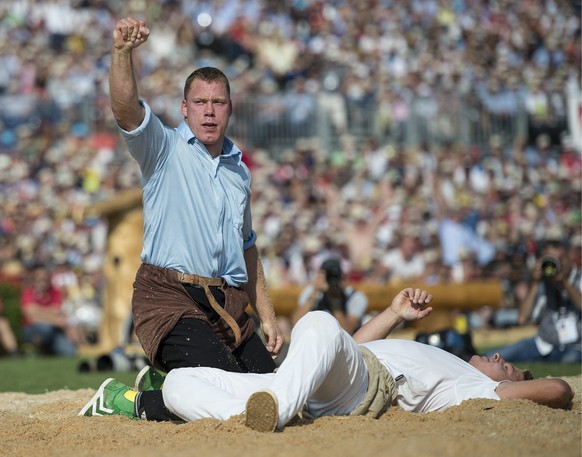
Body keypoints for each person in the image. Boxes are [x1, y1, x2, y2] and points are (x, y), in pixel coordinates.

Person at [107, 17, 283, 420]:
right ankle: (129, 401)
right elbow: (124, 109)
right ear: (184, 109)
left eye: (217, 102)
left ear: (229, 109)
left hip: (227, 304)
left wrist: (267, 316)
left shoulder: (240, 170)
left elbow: (248, 246)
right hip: (169, 298)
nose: (209, 112)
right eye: (200, 103)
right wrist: (121, 53)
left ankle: (164, 382)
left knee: (275, 396)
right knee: (231, 400)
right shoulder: (163, 148)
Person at [79, 288, 573, 432]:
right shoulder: (448, 360)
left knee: (316, 323)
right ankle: (250, 417)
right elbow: (351, 348)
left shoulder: (476, 388)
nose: (499, 357)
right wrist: (394, 314)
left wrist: (517, 384)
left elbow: (559, 390)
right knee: (177, 383)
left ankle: (271, 410)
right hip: (324, 386)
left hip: (361, 389)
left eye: (507, 365)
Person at [485, 238, 581, 363]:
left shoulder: (579, 278)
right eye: (551, 259)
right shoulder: (542, 282)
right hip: (544, 344)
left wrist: (565, 283)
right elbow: (522, 319)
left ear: (569, 257)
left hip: (576, 346)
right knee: (491, 357)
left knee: (570, 360)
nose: (558, 263)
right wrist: (535, 283)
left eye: (561, 258)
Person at [292, 258, 368, 335]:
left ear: (342, 277)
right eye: (327, 276)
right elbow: (296, 323)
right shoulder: (312, 291)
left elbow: (347, 330)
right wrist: (315, 292)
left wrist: (334, 299)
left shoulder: (355, 297)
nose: (330, 280)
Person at [20, 265, 80, 356]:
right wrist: (53, 319)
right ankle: (38, 350)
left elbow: (57, 311)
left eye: (45, 278)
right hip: (32, 329)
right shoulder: (28, 293)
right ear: (34, 280)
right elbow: (31, 316)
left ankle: (48, 350)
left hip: (54, 330)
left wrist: (38, 311)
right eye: (39, 278)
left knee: (70, 352)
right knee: (45, 328)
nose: (42, 281)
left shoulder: (55, 292)